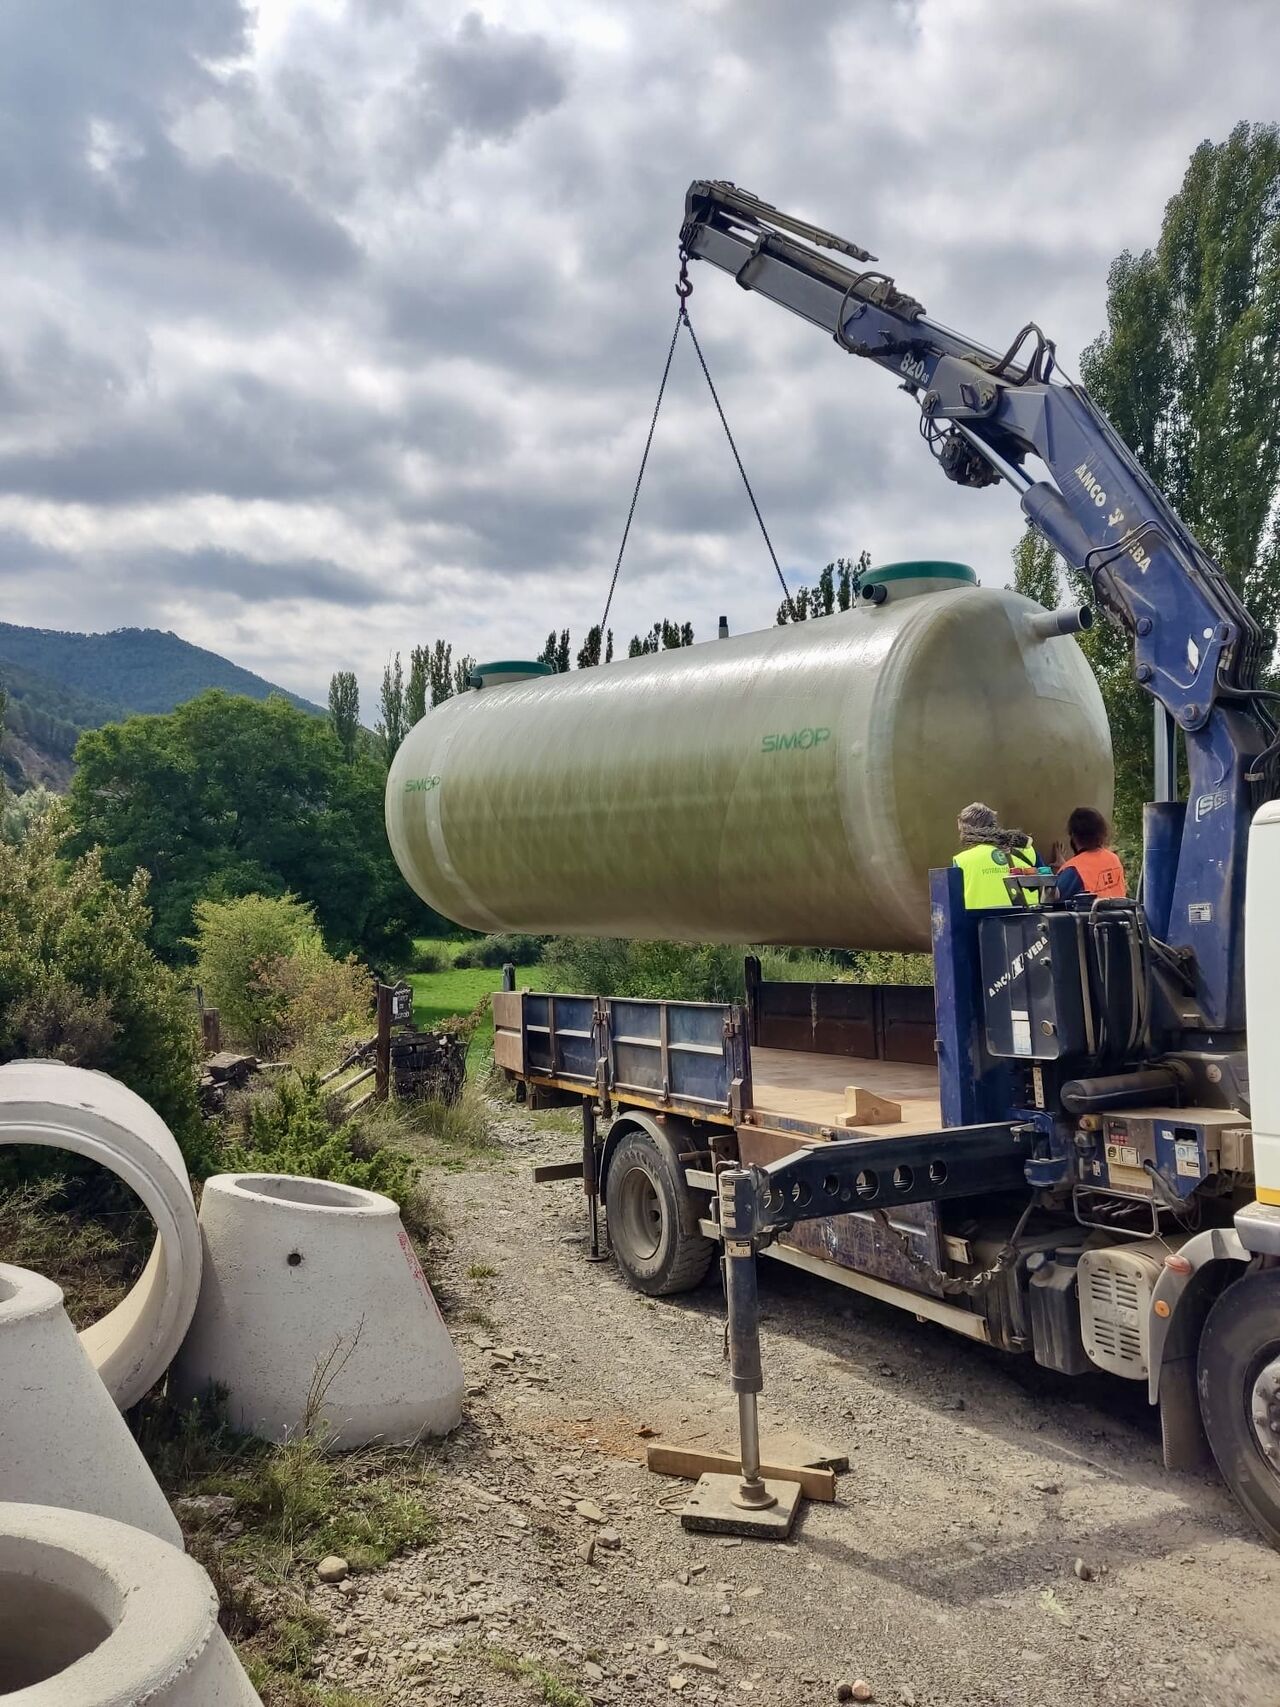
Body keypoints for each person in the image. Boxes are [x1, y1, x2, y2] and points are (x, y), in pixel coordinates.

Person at [951, 801, 1042, 910]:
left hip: (980, 924)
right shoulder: (1027, 851)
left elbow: (953, 904)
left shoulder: (962, 861)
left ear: (965, 831)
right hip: (1029, 921)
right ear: (994, 825)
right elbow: (1053, 892)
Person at [1053, 806, 1127, 901]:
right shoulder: (1113, 859)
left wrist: (1066, 871)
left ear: (1073, 835)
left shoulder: (1073, 871)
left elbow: (1052, 902)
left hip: (1092, 916)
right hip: (1121, 915)